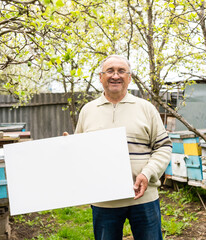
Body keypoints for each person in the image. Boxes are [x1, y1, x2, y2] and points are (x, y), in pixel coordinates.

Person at [66, 55, 172, 240]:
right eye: (110, 71)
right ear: (101, 77)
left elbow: (163, 147)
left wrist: (147, 173)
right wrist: (68, 147)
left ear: (129, 78)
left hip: (144, 199)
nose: (116, 75)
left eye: (121, 71)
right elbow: (81, 155)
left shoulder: (146, 108)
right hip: (104, 201)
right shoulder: (88, 110)